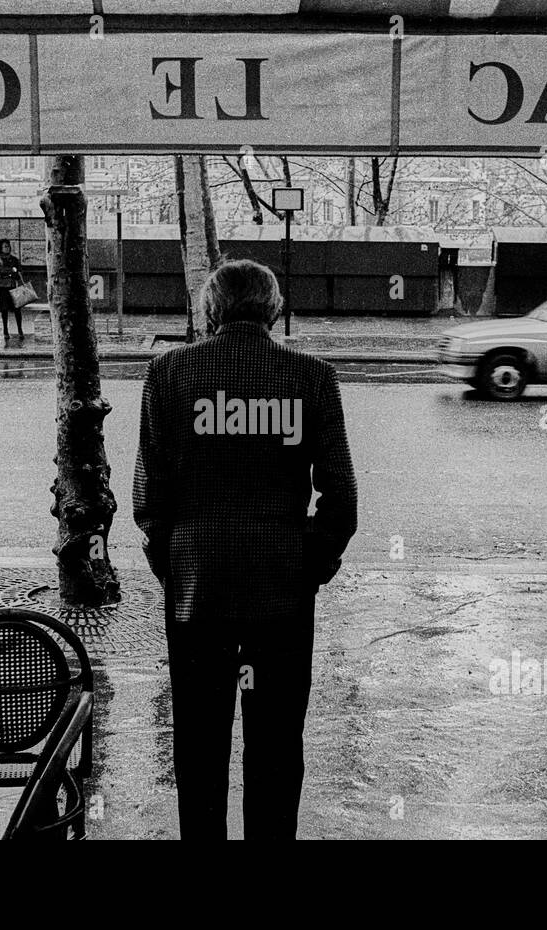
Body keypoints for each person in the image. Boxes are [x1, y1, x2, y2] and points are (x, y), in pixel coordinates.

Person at [133, 259, 358, 840]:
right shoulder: (312, 377)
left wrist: (173, 562)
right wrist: (310, 564)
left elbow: (149, 496)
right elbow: (341, 496)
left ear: (210, 311)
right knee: (277, 745)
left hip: (196, 592)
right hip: (280, 592)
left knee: (199, 744)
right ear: (273, 309)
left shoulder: (168, 374)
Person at [0, 238, 25, 342]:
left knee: (17, 309)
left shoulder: (14, 259)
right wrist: (11, 270)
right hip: (2, 287)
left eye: (8, 246)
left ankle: (20, 330)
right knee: (4, 310)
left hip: (12, 285)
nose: (8, 248)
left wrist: (11, 271)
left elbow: (18, 271)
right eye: (5, 246)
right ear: (0, 248)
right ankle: (5, 331)